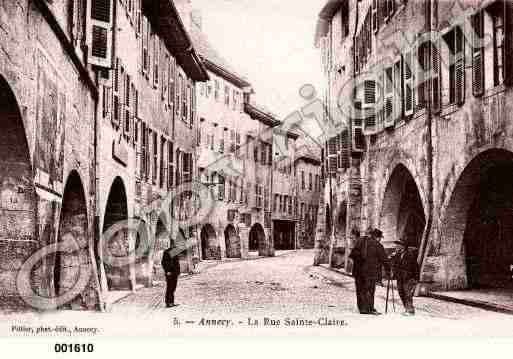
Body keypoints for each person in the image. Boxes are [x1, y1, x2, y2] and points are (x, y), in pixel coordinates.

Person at [349, 228, 390, 315]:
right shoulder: (378, 245)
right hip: (370, 273)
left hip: (358, 272)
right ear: (377, 237)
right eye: (380, 238)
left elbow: (352, 255)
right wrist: (388, 270)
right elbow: (384, 260)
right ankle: (369, 308)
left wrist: (360, 262)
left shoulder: (360, 241)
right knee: (369, 290)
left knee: (360, 290)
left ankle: (362, 308)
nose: (380, 240)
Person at [390, 238, 420, 316]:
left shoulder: (410, 255)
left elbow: (416, 267)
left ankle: (410, 310)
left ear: (403, 246)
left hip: (408, 278)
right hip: (400, 278)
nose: (396, 246)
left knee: (407, 294)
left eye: (398, 245)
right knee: (401, 293)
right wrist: (392, 258)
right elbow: (394, 265)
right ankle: (407, 308)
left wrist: (416, 279)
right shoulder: (398, 255)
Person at [161, 241, 182, 308]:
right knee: (170, 287)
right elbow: (164, 263)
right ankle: (168, 302)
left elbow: (176, 263)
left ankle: (171, 302)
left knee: (173, 288)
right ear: (172, 245)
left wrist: (178, 272)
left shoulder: (175, 252)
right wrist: (167, 271)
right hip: (170, 273)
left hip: (175, 273)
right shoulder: (167, 252)